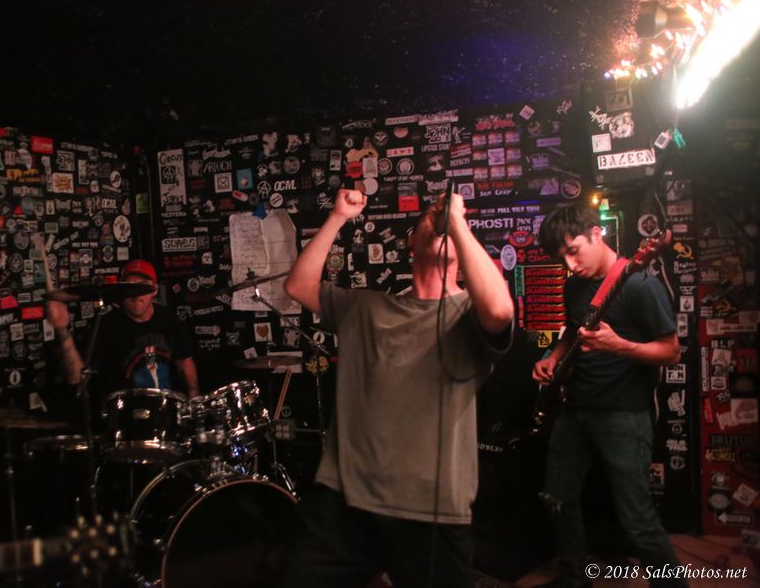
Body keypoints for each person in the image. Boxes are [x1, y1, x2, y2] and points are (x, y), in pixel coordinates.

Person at [280, 188, 514, 588]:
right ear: (410, 243)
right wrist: (337, 217)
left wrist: (456, 223)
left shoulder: (467, 315)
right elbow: (298, 286)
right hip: (344, 500)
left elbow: (499, 310)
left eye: (446, 222)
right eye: (429, 218)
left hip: (431, 507)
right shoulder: (364, 307)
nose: (438, 221)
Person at [531, 204, 684, 588]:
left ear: (597, 234)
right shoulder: (573, 286)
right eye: (561, 258)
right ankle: (574, 579)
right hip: (574, 409)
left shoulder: (640, 285)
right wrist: (552, 357)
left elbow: (671, 352)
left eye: (574, 250)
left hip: (623, 415)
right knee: (557, 498)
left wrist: (620, 346)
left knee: (636, 518)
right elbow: (574, 331)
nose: (570, 265)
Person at [47, 259, 200, 421]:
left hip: (166, 413)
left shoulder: (168, 318)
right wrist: (62, 331)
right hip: (123, 418)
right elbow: (77, 378)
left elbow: (185, 361)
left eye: (142, 287)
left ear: (154, 290)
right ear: (120, 291)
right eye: (129, 287)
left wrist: (194, 399)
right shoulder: (105, 325)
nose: (136, 294)